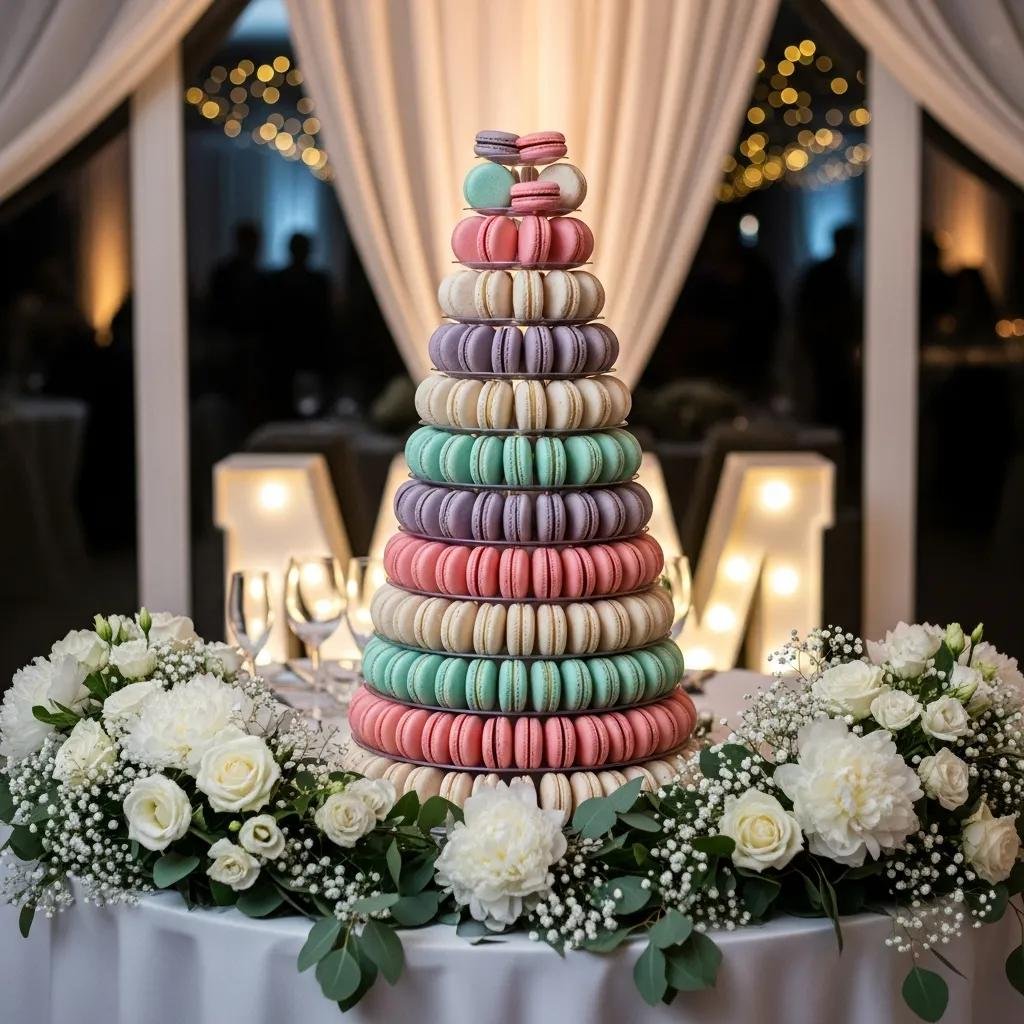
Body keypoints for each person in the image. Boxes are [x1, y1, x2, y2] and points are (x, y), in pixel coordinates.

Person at [796, 224, 861, 435]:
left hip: (836, 347)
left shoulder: (841, 272)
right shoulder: (826, 273)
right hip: (826, 347)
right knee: (829, 400)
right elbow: (807, 310)